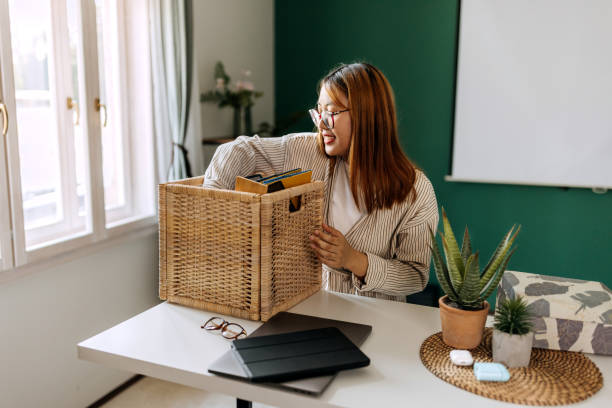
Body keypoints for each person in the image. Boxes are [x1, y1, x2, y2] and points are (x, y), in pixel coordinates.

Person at [204, 62, 439, 302]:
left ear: (367, 116)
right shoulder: (305, 151)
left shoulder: (416, 191)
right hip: (305, 310)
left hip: (377, 320)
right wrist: (210, 199)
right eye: (319, 112)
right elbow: (240, 149)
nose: (322, 124)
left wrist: (354, 260)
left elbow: (415, 277)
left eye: (333, 112)